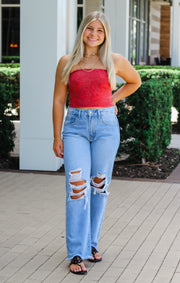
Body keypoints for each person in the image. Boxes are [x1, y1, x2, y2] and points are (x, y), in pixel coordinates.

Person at [53, 11, 141, 275]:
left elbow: (134, 81)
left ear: (106, 35)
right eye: (90, 29)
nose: (94, 34)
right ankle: (76, 252)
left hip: (105, 128)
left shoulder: (114, 60)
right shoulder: (67, 61)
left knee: (99, 186)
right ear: (82, 31)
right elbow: (59, 100)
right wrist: (57, 136)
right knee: (77, 188)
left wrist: (111, 100)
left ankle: (91, 243)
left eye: (99, 30)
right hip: (75, 128)